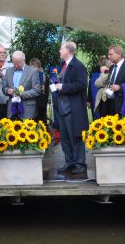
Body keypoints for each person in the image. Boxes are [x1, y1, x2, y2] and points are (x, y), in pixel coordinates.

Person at [53, 41, 88, 175]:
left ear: (68, 50)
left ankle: (80, 164)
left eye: (61, 49)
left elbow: (82, 84)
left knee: (76, 136)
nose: (59, 51)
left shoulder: (78, 66)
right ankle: (70, 162)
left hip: (73, 108)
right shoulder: (62, 65)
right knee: (65, 137)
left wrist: (64, 87)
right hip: (62, 106)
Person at [102, 45, 125, 117]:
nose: (108, 56)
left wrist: (120, 87)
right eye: (108, 54)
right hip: (110, 104)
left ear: (119, 54)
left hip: (123, 106)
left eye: (111, 54)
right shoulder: (111, 67)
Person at [2, 51, 40, 119]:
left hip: (27, 111)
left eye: (18, 63)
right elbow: (4, 87)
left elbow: (36, 91)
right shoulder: (8, 71)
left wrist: (20, 94)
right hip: (12, 109)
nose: (16, 65)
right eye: (14, 63)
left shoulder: (33, 71)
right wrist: (7, 91)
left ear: (24, 60)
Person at [29, 58, 49, 124]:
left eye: (32, 66)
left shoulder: (39, 75)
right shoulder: (42, 74)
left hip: (37, 103)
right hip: (41, 103)